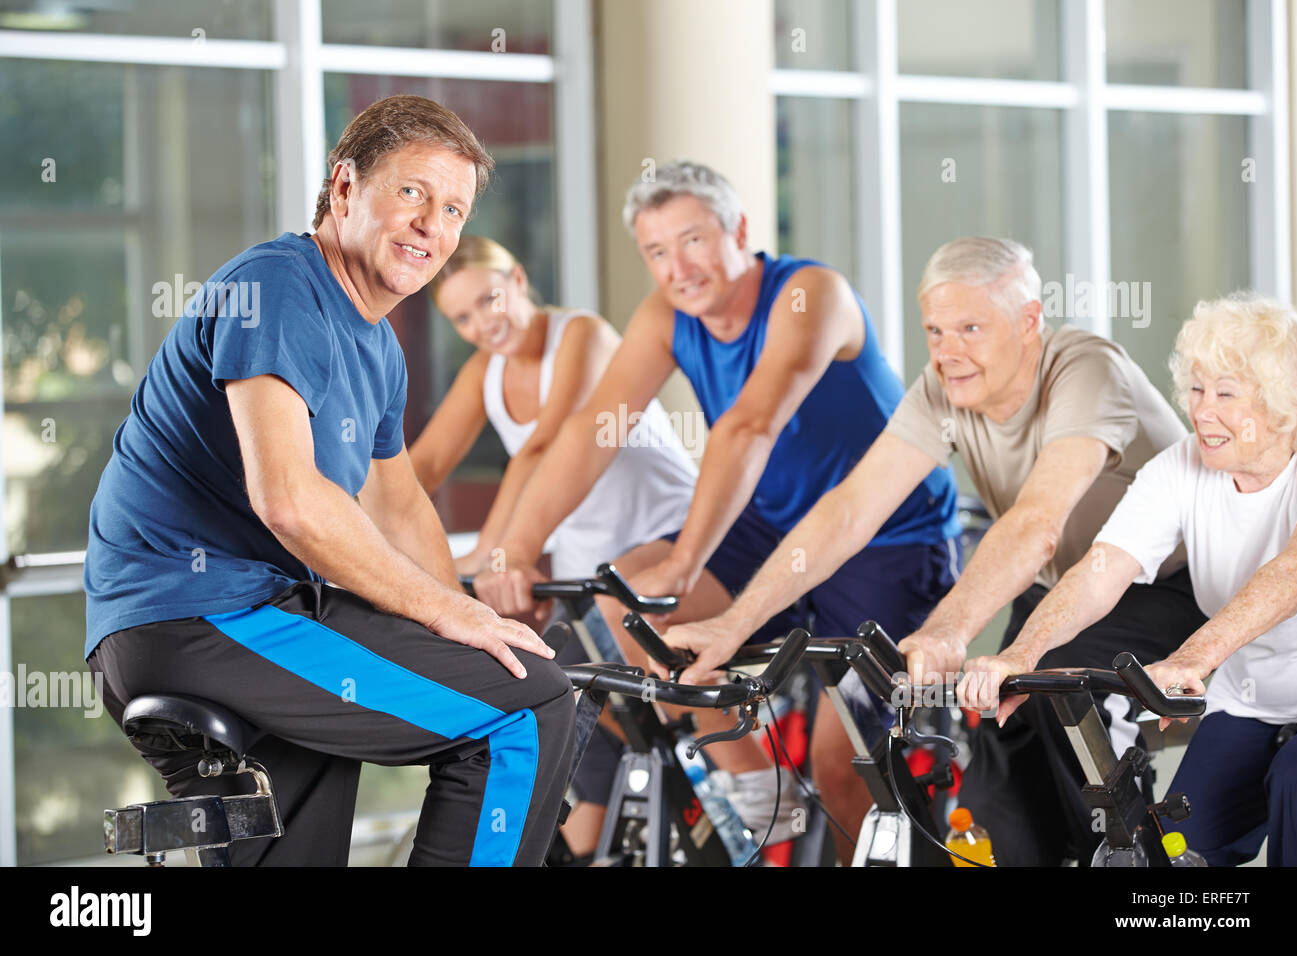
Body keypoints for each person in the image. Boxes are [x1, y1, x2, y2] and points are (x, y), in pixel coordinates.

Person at [83, 94, 575, 867]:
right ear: (344, 188)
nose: (432, 226)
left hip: (220, 627)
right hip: (203, 616)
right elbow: (290, 501)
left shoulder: (377, 347)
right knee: (529, 712)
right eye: (412, 192)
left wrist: (471, 626)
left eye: (452, 209)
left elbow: (399, 502)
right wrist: (455, 624)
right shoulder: (282, 286)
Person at [663, 236, 1206, 865]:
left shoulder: (1087, 369)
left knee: (1081, 762)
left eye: (970, 328)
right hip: (1058, 596)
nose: (948, 352)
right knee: (996, 795)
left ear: (1029, 321)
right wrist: (735, 625)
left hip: (1159, 588)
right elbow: (850, 509)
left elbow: (1037, 524)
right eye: (935, 331)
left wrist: (948, 630)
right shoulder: (945, 387)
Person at [473, 161, 962, 853]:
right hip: (770, 526)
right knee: (634, 600)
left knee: (846, 760)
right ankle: (762, 792)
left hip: (885, 534)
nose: (678, 266)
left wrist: (687, 557)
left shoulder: (811, 293)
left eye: (693, 239)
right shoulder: (666, 313)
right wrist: (516, 549)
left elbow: (748, 427)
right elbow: (593, 430)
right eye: (657, 251)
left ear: (738, 228)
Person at [960, 293, 1297, 866]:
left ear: (1282, 404)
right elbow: (1102, 568)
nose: (1202, 411)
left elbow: (1291, 573)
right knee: (1175, 852)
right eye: (1196, 389)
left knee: (1294, 786)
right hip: (1248, 704)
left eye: (1226, 394)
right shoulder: (1181, 468)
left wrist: (1192, 659)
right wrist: (1022, 653)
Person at [407, 233, 696, 856]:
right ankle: (585, 842)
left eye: (489, 299)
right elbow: (423, 463)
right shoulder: (486, 369)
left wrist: (495, 553)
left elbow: (546, 445)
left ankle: (725, 790)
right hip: (584, 566)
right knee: (551, 703)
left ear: (516, 276)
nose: (484, 323)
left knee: (611, 696)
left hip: (665, 536)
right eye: (462, 317)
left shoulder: (582, 335)